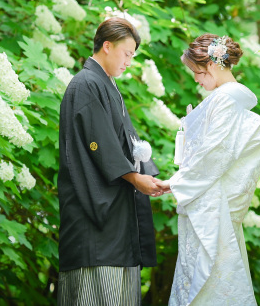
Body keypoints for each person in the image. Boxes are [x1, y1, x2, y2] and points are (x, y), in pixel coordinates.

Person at [57, 17, 166, 306]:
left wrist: (146, 175)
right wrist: (134, 178)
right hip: (93, 219)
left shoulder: (105, 84)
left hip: (115, 217)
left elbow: (126, 143)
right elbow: (100, 144)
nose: (129, 62)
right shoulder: (85, 84)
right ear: (107, 46)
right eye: (126, 54)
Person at [163, 34, 260, 306]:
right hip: (209, 202)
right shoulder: (227, 99)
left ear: (211, 64)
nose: (196, 79)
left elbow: (215, 153)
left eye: (197, 72)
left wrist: (175, 183)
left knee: (205, 282)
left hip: (210, 206)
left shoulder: (225, 100)